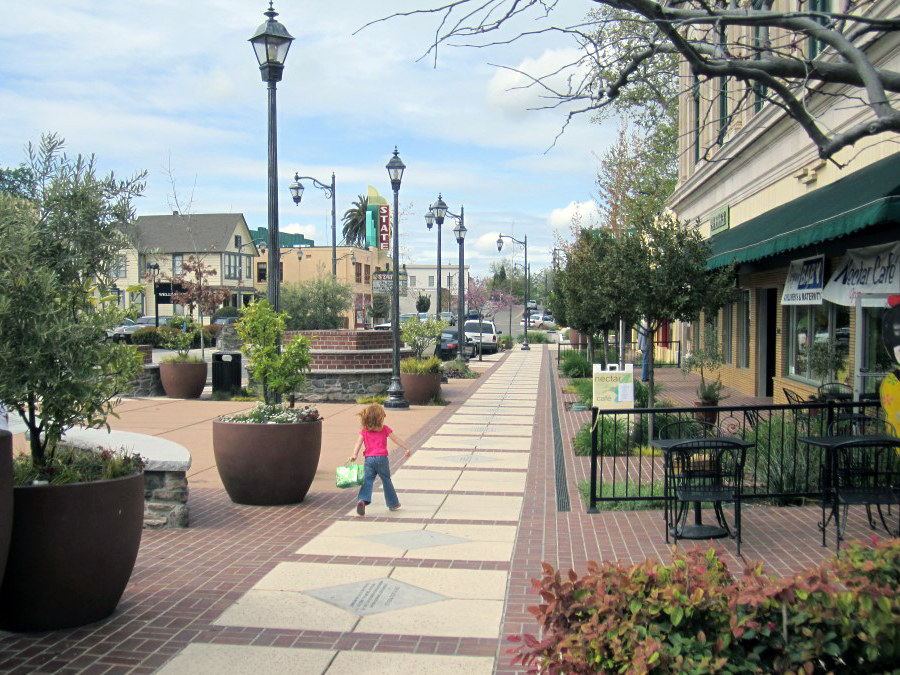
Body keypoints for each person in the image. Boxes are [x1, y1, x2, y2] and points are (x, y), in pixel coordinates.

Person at [349, 403, 411, 516]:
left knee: (367, 480)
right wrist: (406, 447)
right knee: (386, 480)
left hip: (369, 459)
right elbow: (395, 439)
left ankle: (362, 500)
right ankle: (393, 504)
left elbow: (359, 443)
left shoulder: (364, 430)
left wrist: (354, 455)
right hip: (382, 459)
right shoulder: (384, 429)